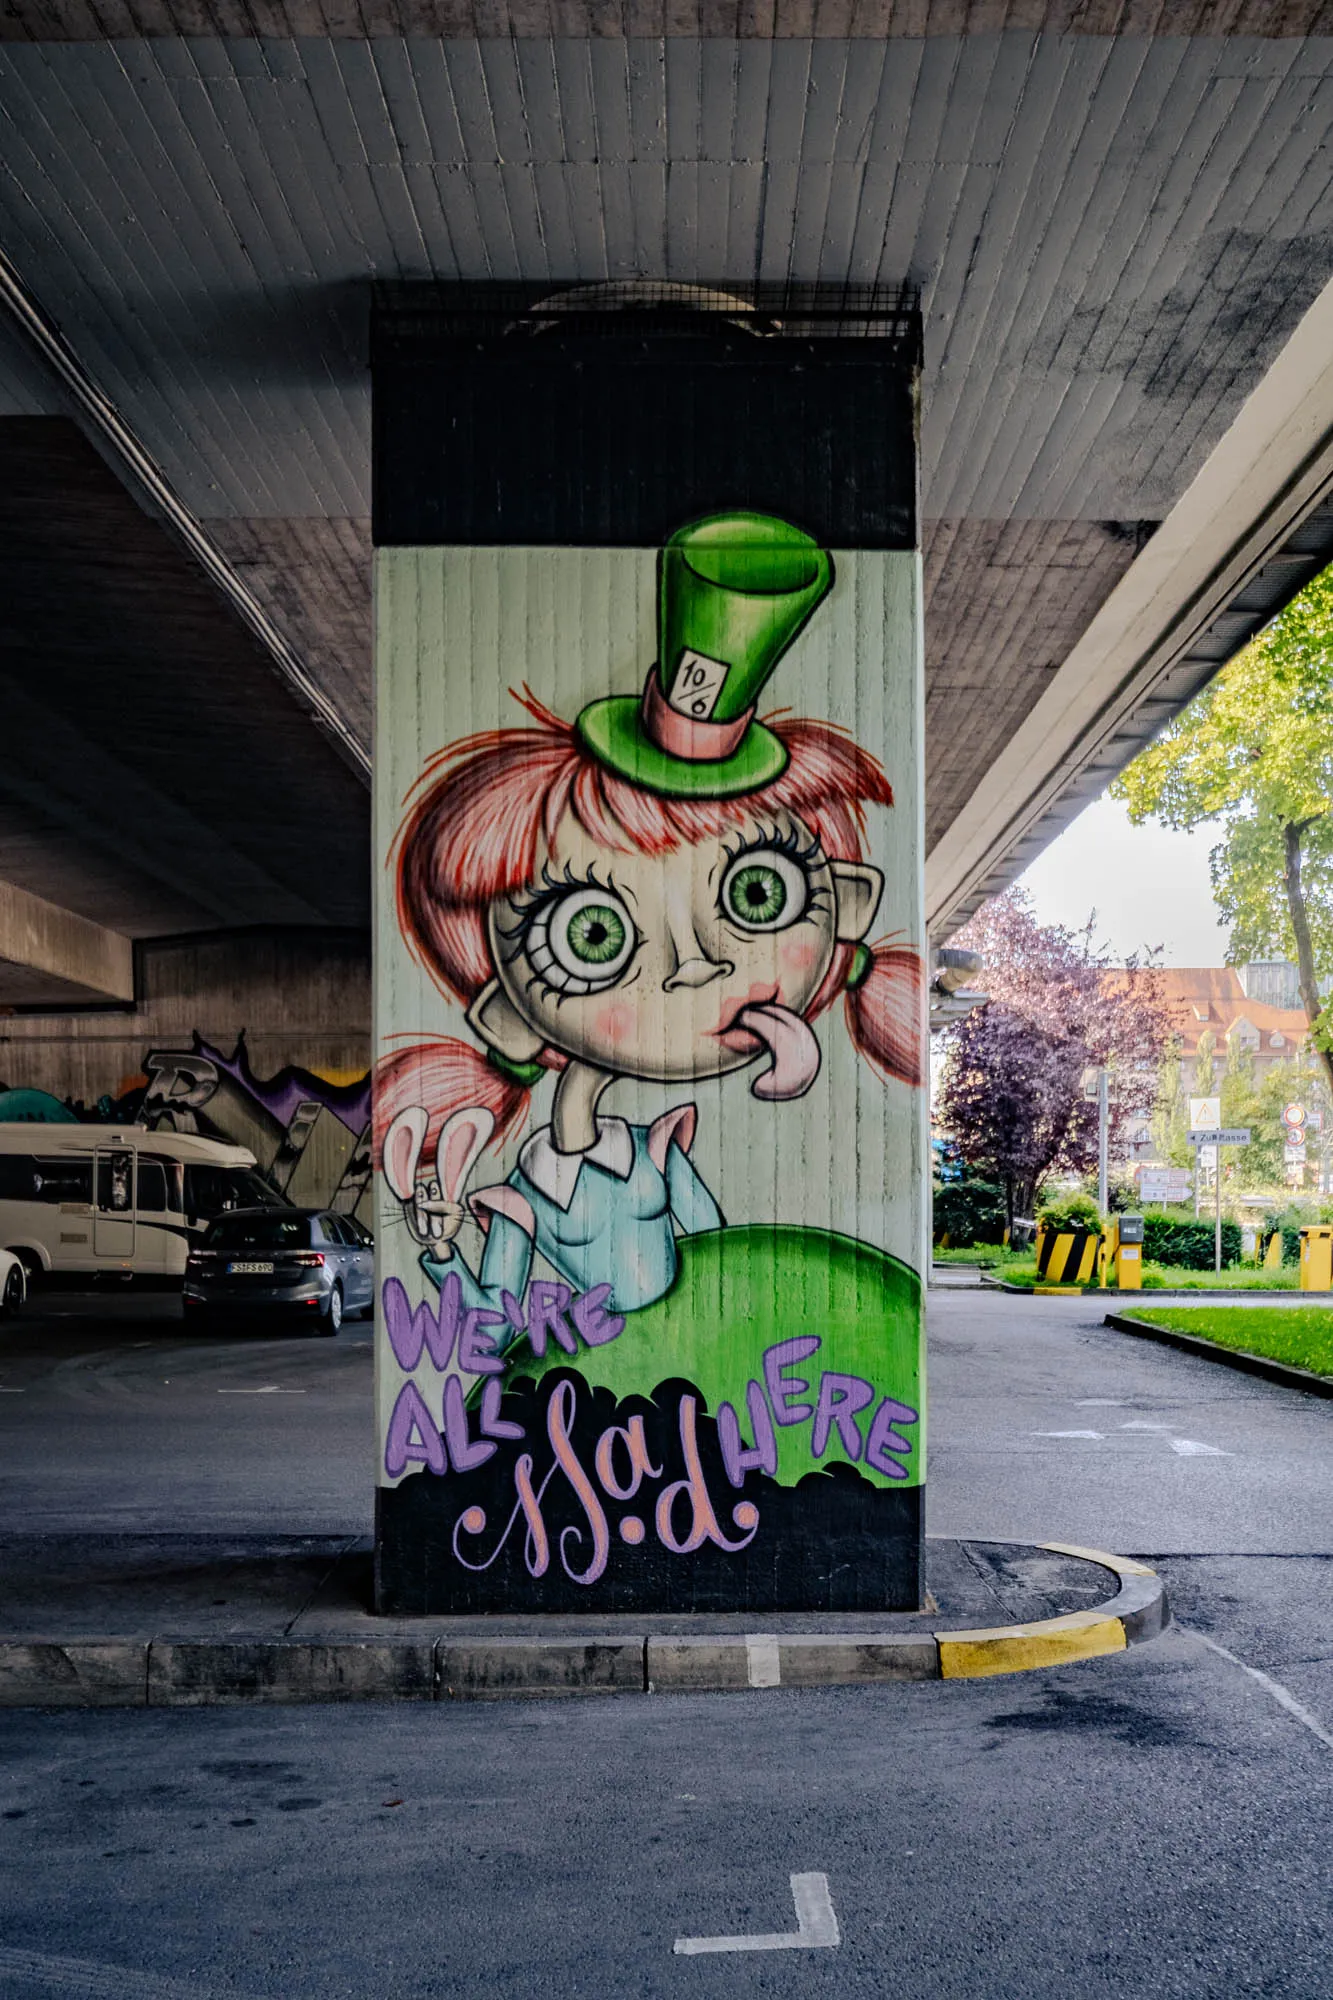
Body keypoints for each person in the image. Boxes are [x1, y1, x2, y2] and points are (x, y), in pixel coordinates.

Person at [376, 511, 923, 1334]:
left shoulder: (660, 1149)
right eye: (590, 935)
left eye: (757, 894)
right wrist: (444, 1247)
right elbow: (491, 1324)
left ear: (845, 899)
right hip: (591, 1409)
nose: (698, 966)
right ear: (505, 1015)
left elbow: (721, 1270)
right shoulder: (518, 1192)